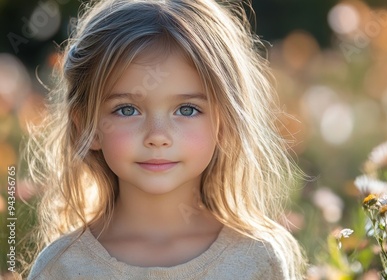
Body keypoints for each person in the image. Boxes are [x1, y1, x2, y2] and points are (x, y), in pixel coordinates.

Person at [25, 0, 305, 279]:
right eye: (127, 110)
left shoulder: (256, 260)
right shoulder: (62, 267)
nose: (157, 137)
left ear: (225, 124)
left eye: (187, 110)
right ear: (88, 126)